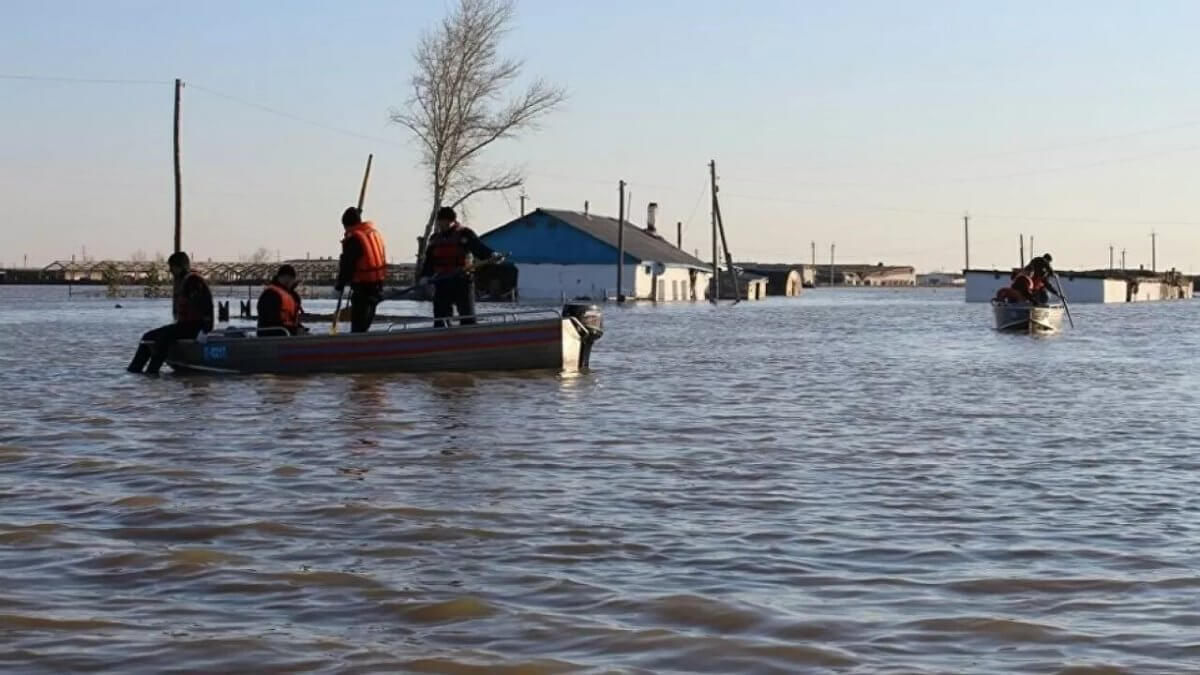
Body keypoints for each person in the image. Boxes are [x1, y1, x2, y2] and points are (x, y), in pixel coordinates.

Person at [126, 252, 213, 374]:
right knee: (148, 337)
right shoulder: (185, 281)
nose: (171, 271)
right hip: (186, 325)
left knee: (164, 338)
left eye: (172, 267)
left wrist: (205, 330)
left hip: (195, 327)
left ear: (180, 266)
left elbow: (205, 305)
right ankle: (134, 371)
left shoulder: (193, 280)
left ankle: (152, 372)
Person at [419, 206, 500, 327]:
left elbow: (479, 249)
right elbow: (429, 262)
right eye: (440, 222)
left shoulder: (465, 234)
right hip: (442, 281)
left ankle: (469, 339)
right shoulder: (435, 239)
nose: (441, 225)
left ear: (451, 221)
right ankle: (441, 338)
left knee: (467, 317)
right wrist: (425, 276)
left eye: (444, 222)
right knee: (440, 318)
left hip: (462, 280)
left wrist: (492, 255)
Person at [335, 206, 387, 333]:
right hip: (377, 287)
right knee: (365, 323)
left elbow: (347, 265)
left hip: (363, 288)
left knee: (359, 325)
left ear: (347, 225)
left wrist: (340, 284)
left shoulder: (354, 239)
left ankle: (356, 345)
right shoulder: (372, 233)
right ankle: (362, 342)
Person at [257, 264, 307, 336]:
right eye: (288, 278)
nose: (290, 281)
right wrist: (294, 330)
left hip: (287, 333)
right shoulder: (270, 294)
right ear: (281, 277)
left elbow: (292, 319)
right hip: (272, 334)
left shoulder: (293, 295)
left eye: (292, 278)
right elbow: (270, 320)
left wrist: (300, 328)